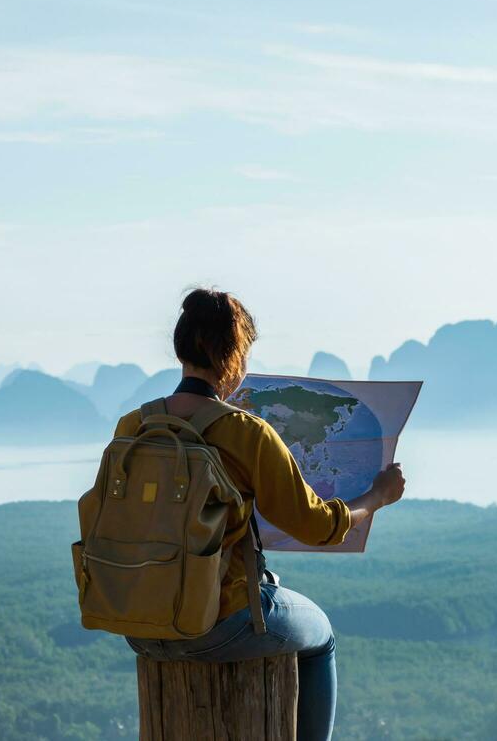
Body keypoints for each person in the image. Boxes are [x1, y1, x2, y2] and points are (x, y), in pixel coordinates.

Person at [120, 288, 405, 741]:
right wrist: (377, 497)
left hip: (137, 620)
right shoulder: (245, 430)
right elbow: (318, 526)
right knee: (322, 636)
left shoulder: (135, 425)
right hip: (219, 622)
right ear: (232, 355)